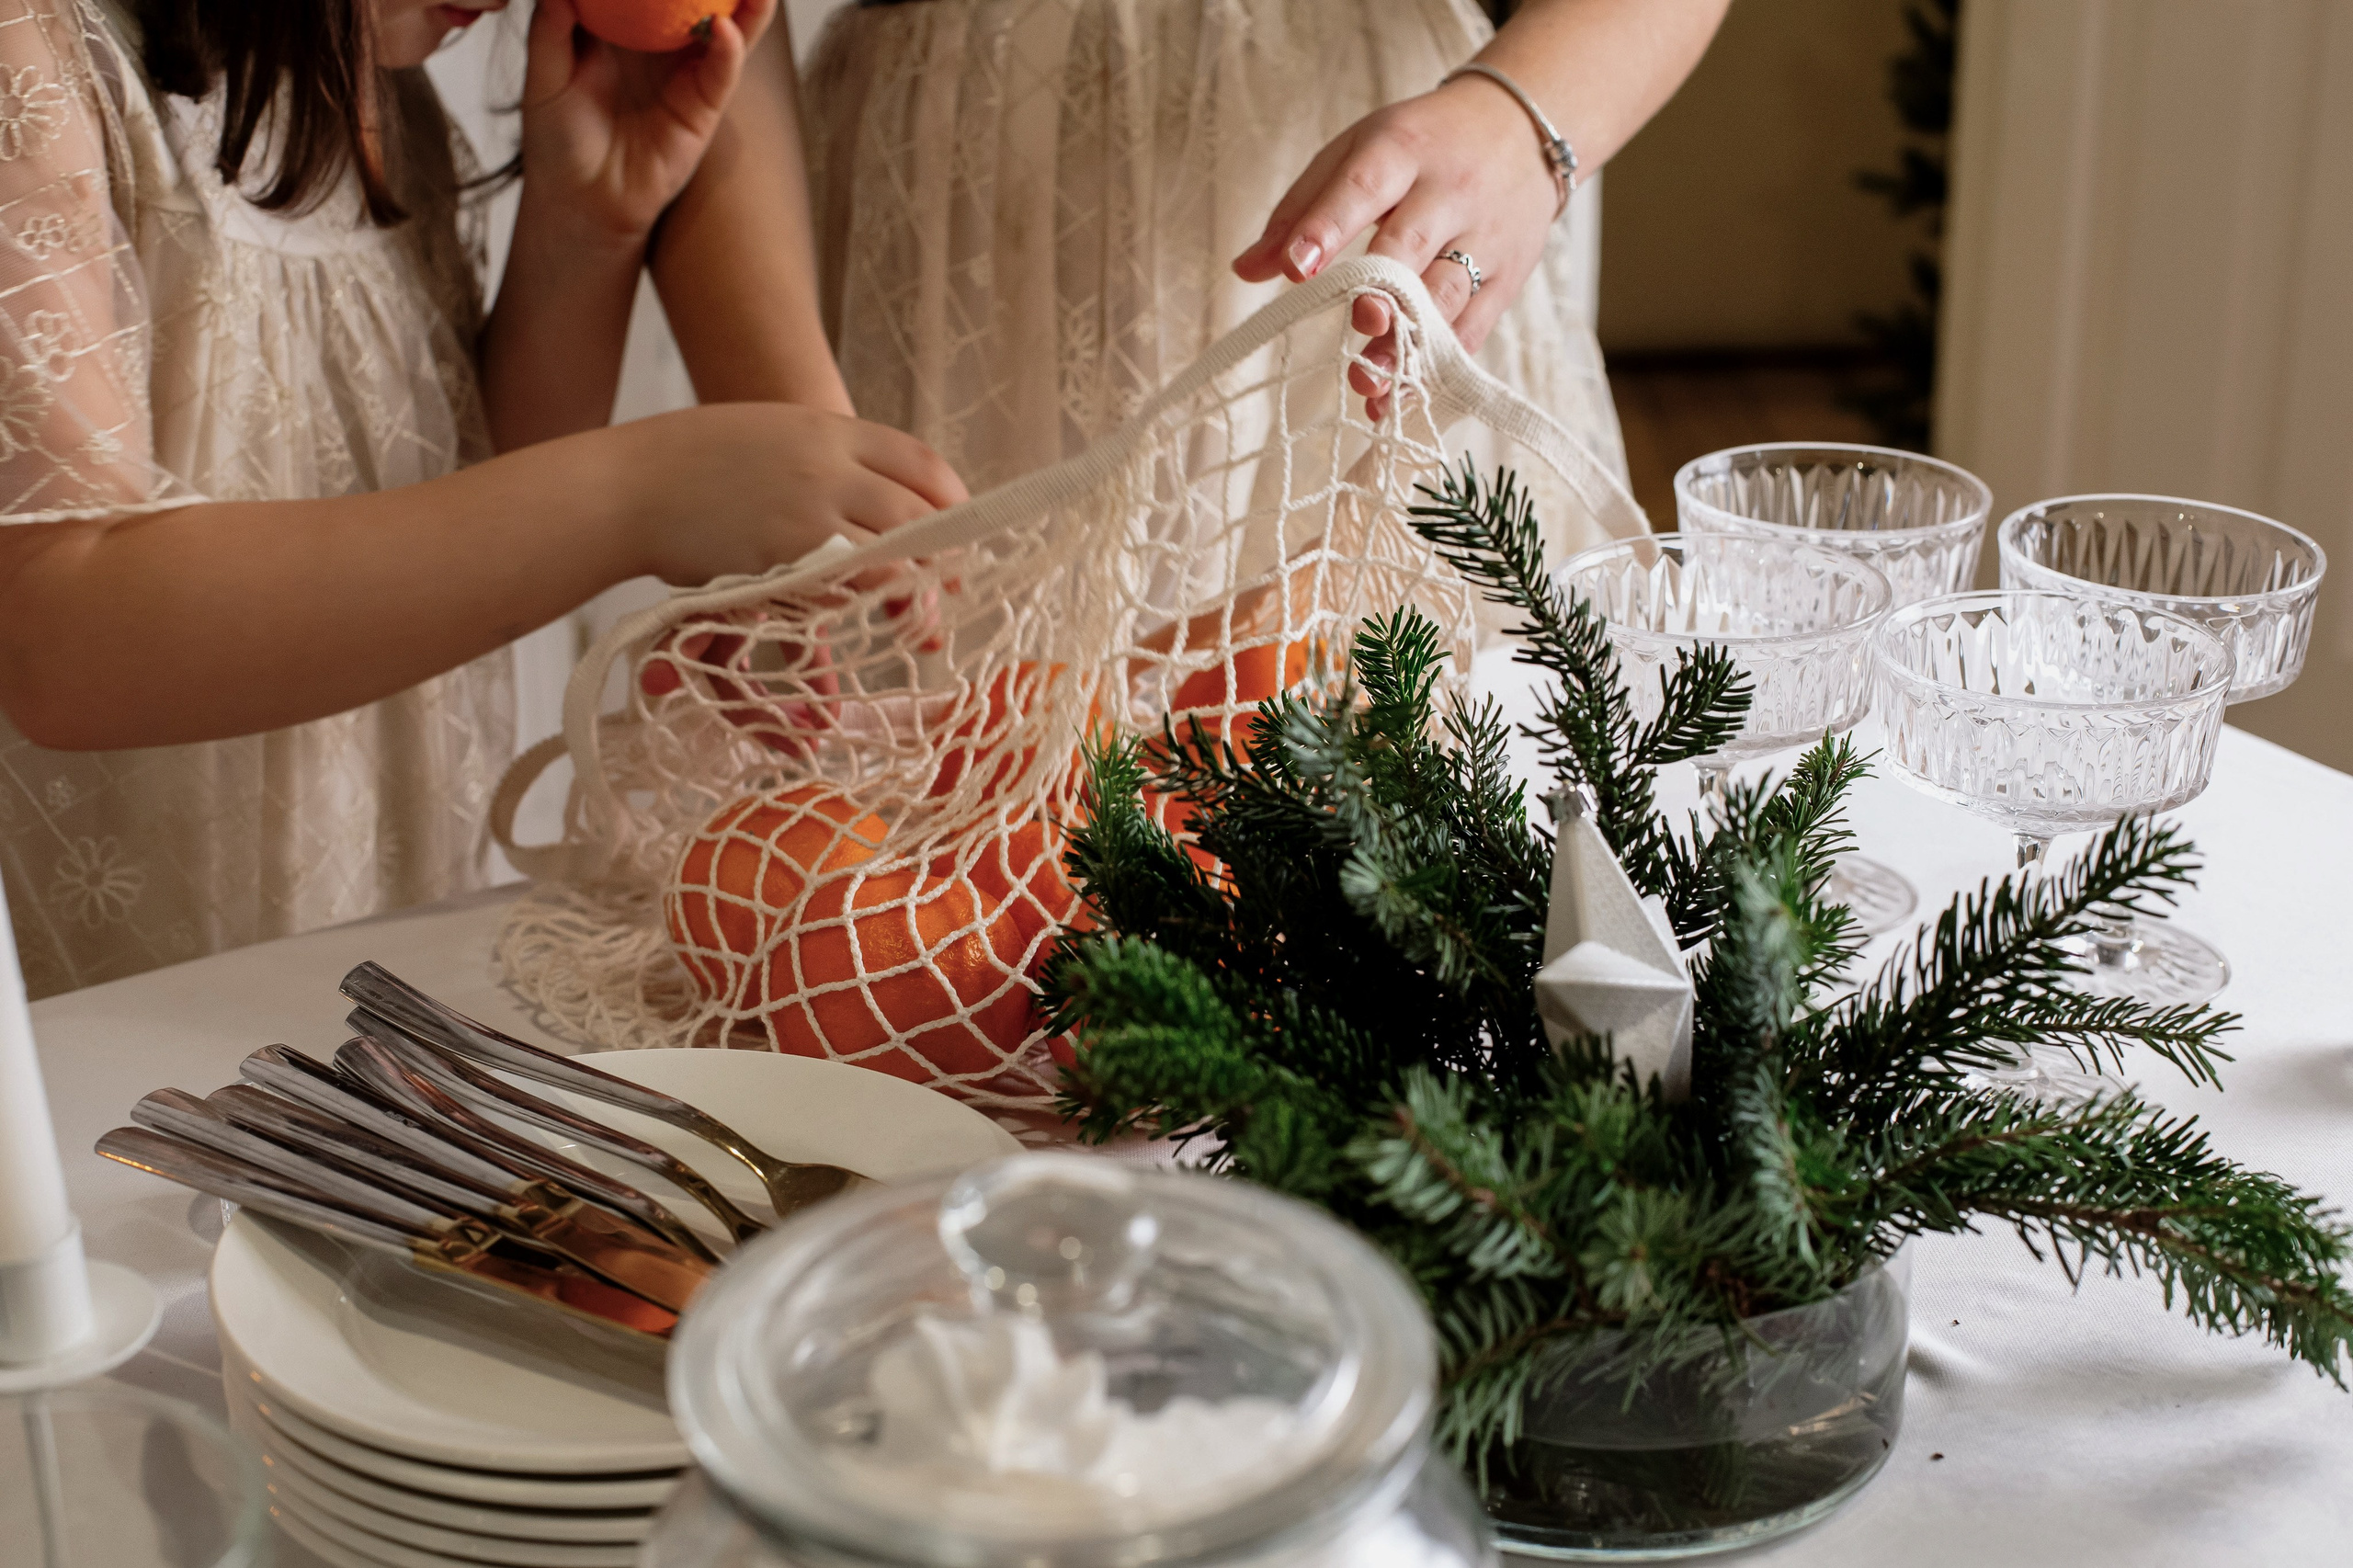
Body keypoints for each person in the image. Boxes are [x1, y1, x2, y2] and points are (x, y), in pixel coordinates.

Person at [0, 0, 963, 995]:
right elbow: (62, 640)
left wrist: (584, 232)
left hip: (358, 961)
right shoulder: (34, 59)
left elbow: (461, 517)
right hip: (108, 1001)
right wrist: (640, 491)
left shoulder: (379, 100)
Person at [649, 0, 1730, 502]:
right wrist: (801, 438)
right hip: (950, 288)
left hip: (1388, 236)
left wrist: (1523, 119)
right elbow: (696, 35)